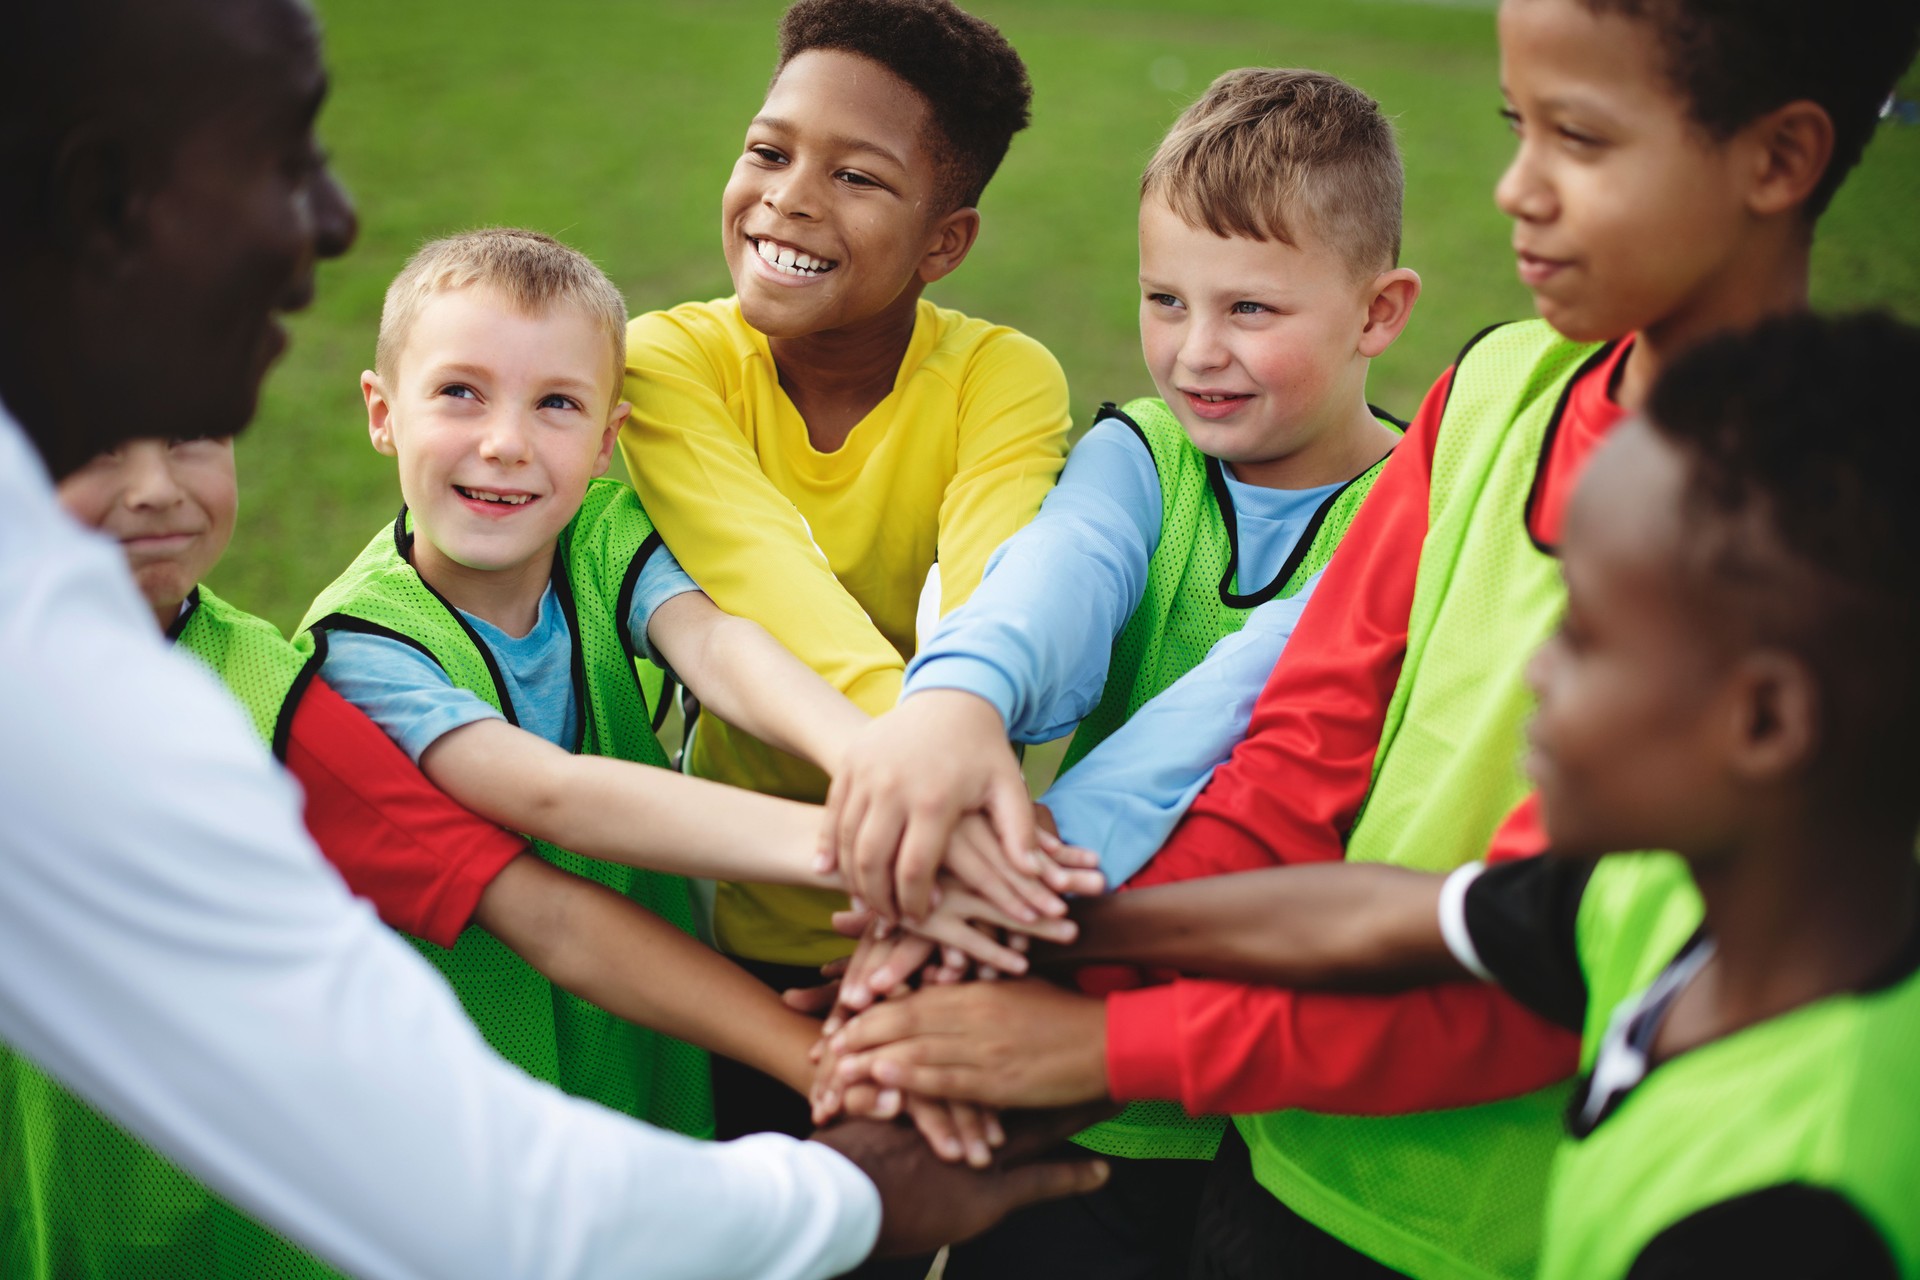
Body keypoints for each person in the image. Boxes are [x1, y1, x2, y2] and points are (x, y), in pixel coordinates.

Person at [0, 1, 1105, 1276]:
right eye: (284, 153)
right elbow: (554, 847)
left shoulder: (576, 545)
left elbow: (732, 636)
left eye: (556, 406)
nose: (341, 213)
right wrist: (907, 836)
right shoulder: (342, 662)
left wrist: (914, 787)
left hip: (651, 1072)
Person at [817, 2, 1920, 1277]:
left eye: (1582, 137)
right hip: (1272, 1149)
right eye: (1520, 125)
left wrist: (1097, 1040)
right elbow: (1297, 747)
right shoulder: (1502, 383)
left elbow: (1529, 974)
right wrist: (1034, 954)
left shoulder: (1816, 535)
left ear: (1779, 159)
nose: (1516, 188)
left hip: (1468, 1229)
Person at [934, 311, 1920, 1276]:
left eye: (1586, 635)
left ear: (1766, 720)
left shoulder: (1788, 1213)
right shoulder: (1665, 900)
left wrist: (1103, 1039)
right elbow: (1385, 915)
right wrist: (1049, 931)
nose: (1533, 672)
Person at [820, 67, 1422, 1279]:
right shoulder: (1142, 453)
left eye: (1252, 309)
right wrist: (955, 701)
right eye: (1164, 299)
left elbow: (1241, 696)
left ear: (1380, 310)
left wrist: (1011, 887)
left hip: (1256, 1082)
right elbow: (1059, 578)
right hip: (1057, 1069)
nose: (1196, 352)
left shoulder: (1413, 512)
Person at [304, 226, 1071, 1145]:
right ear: (383, 411)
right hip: (481, 1094)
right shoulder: (359, 647)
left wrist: (884, 768)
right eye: (460, 393)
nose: (505, 443)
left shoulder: (596, 532)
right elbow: (554, 796)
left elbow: (718, 646)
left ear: (604, 442)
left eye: (556, 403)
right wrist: (886, 844)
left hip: (652, 1042)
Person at [619, 0, 1074, 1138]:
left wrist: (931, 850)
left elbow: (990, 614)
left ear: (944, 242)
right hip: (724, 928)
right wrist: (928, 781)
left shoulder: (1002, 379)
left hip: (934, 920)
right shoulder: (667, 360)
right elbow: (763, 577)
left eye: (858, 178)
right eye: (769, 151)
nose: (790, 198)